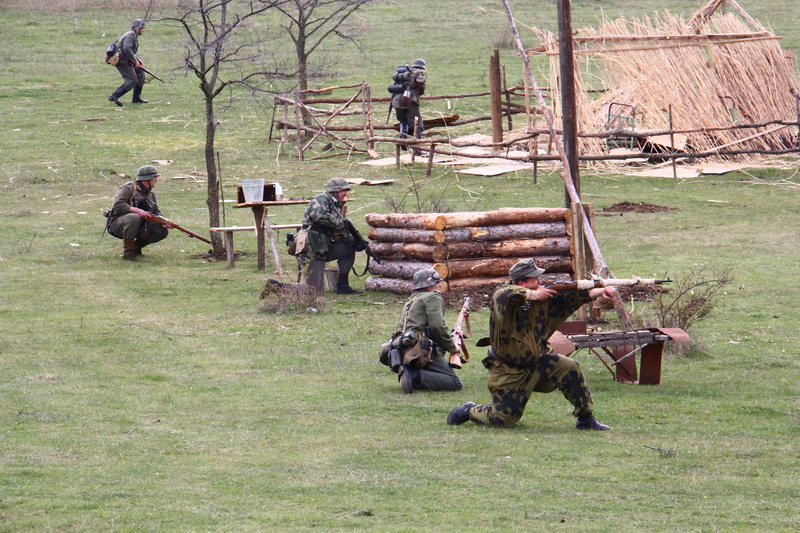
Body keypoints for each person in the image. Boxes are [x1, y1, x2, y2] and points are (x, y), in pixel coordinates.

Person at [447, 258, 615, 431]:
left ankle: (586, 419)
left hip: (537, 364)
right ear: (522, 283)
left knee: (569, 367)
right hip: (509, 371)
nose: (540, 282)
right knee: (502, 420)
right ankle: (470, 410)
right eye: (535, 279)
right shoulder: (504, 299)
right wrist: (533, 295)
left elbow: (571, 298)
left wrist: (600, 291)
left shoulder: (542, 299)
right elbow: (504, 293)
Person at [265, 177, 360, 296]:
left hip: (323, 247)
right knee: (314, 291)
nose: (345, 194)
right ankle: (276, 287)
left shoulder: (334, 205)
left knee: (350, 248)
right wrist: (340, 223)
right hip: (311, 249)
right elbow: (320, 217)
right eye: (343, 191)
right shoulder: (321, 199)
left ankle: (343, 286)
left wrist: (355, 241)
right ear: (334, 191)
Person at [392, 269, 463, 394]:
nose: (439, 285)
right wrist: (452, 347)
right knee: (454, 382)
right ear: (428, 285)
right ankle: (413, 375)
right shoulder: (433, 297)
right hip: (420, 349)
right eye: (437, 283)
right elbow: (437, 326)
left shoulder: (411, 299)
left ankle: (411, 372)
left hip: (404, 347)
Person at [107, 165, 171, 260]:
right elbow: (118, 205)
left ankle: (136, 248)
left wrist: (165, 222)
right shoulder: (129, 188)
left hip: (140, 224)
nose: (156, 180)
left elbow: (155, 212)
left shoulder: (150, 193)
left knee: (161, 230)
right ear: (147, 179)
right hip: (119, 223)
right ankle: (128, 252)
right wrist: (137, 211)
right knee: (134, 217)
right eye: (154, 178)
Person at [108, 19, 148, 107]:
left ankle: (136, 98)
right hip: (121, 61)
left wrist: (137, 59)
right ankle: (114, 96)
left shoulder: (133, 35)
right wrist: (135, 61)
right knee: (132, 80)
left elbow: (129, 50)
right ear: (137, 28)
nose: (143, 30)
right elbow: (126, 49)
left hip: (126, 59)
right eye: (142, 28)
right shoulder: (130, 35)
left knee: (140, 74)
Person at [390, 59, 427, 146]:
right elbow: (421, 84)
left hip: (396, 100)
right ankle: (417, 145)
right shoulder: (420, 73)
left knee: (403, 121)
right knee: (417, 124)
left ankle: (403, 140)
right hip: (410, 100)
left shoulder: (405, 74)